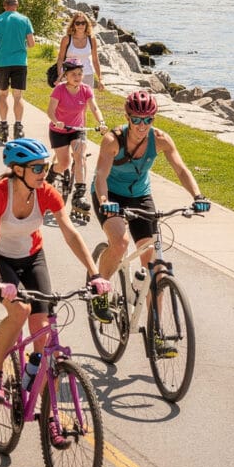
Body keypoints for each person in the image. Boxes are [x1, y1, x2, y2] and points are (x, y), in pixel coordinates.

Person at [0, 138, 106, 414]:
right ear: (18, 170)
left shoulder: (47, 193)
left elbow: (70, 234)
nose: (45, 173)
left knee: (42, 332)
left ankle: (49, 415)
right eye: (38, 168)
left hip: (31, 257)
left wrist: (95, 273)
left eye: (46, 167)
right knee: (20, 310)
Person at [90, 90, 209, 323]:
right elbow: (101, 176)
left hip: (140, 196)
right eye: (136, 119)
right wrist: (105, 202)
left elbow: (181, 169)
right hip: (110, 195)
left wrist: (198, 196)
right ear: (127, 117)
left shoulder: (161, 139)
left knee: (155, 267)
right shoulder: (112, 141)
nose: (142, 125)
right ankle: (99, 291)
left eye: (148, 120)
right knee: (121, 242)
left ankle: (157, 332)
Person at [47, 59, 107, 219]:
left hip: (77, 130)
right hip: (59, 130)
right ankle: (51, 174)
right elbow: (50, 111)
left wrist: (101, 122)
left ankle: (79, 195)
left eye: (80, 74)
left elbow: (94, 107)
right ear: (66, 75)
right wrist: (55, 121)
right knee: (64, 163)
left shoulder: (86, 90)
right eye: (73, 74)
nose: (78, 77)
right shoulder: (59, 90)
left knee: (80, 157)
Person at [0, 0, 35, 144]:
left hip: (2, 63)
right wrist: (22, 45)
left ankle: (3, 126)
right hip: (20, 62)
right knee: (18, 96)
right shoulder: (25, 20)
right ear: (17, 5)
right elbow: (32, 43)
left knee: (3, 95)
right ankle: (18, 127)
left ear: (4, 5)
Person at [55, 11, 102, 90]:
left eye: (83, 23)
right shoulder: (66, 39)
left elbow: (95, 60)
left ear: (86, 24)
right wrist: (60, 75)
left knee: (87, 101)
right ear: (74, 24)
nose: (80, 25)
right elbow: (60, 59)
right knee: (68, 101)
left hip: (87, 74)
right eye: (77, 23)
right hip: (69, 75)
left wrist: (100, 79)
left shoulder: (92, 39)